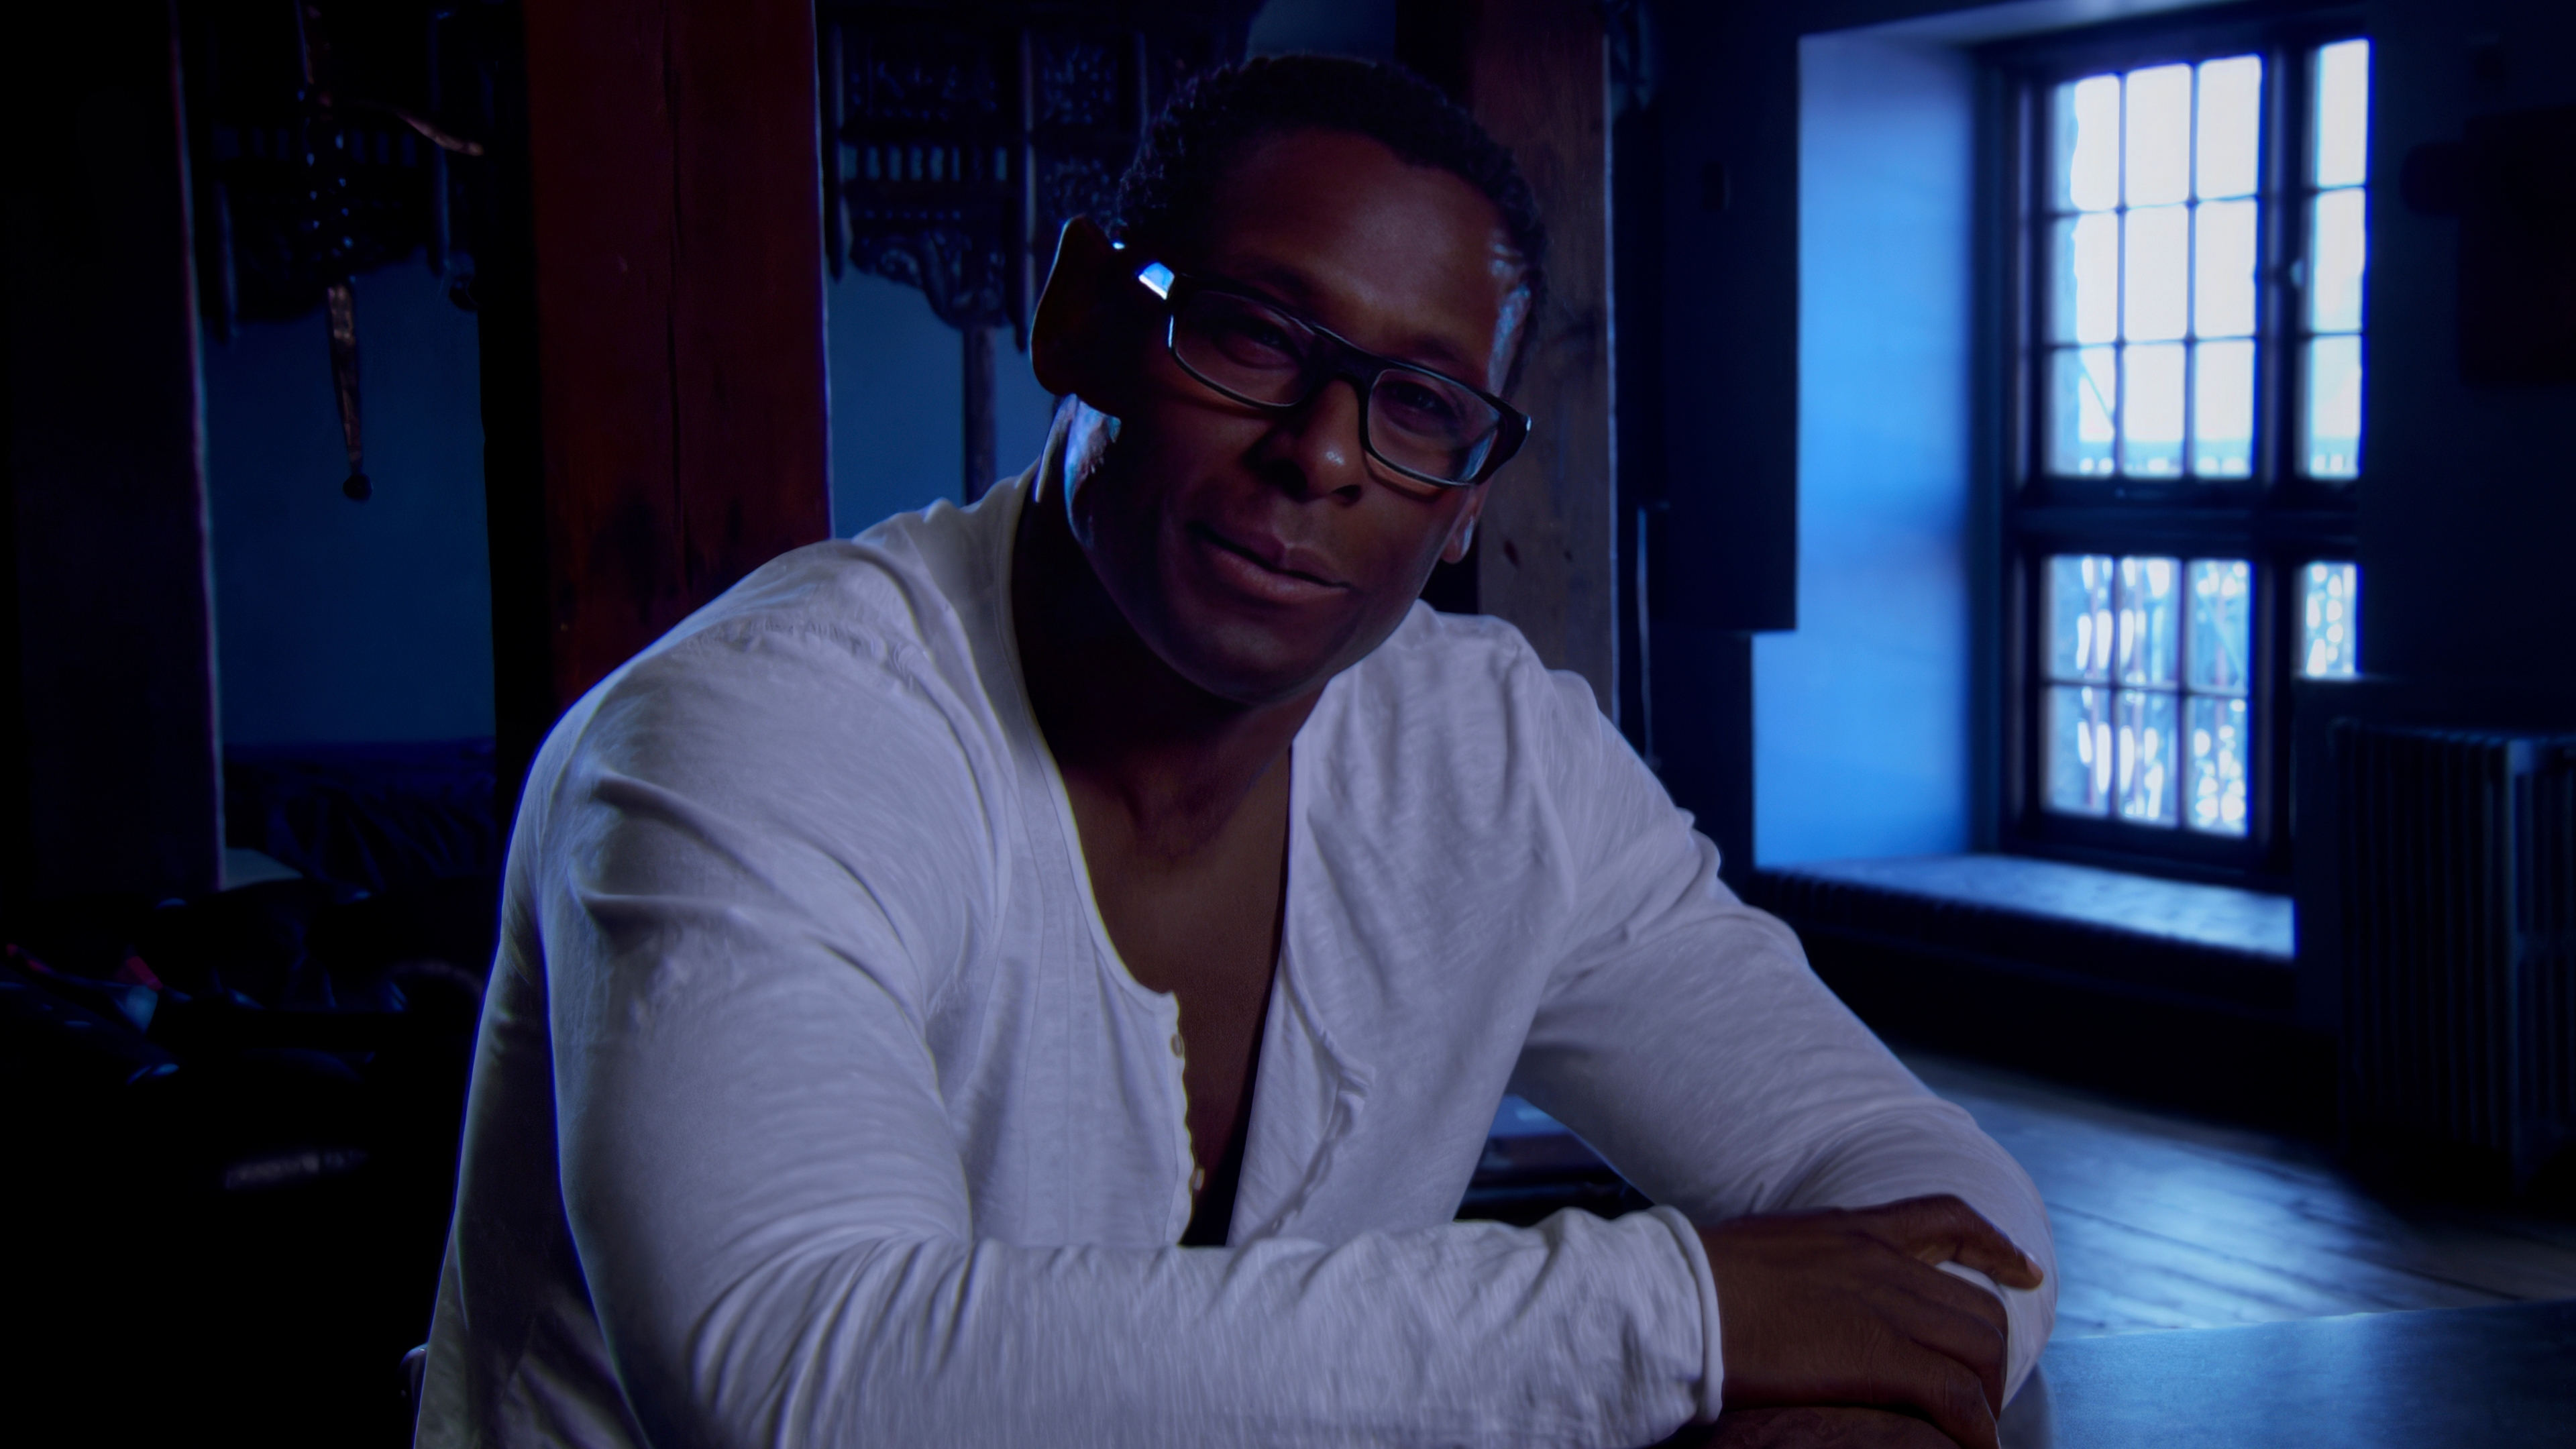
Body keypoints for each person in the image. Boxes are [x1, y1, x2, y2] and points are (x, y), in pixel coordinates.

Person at [417, 56, 2053, 1449]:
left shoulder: (1494, 760)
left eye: (1422, 407)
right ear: (1082, 322)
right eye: (1256, 336)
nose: (1324, 455)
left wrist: (1843, 1403)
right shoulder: (762, 731)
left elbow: (1942, 1206)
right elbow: (802, 1377)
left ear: (1467, 499)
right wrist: (1674, 1317)